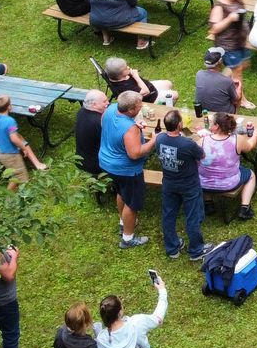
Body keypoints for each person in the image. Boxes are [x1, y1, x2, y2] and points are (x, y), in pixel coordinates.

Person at [98, 91, 155, 249]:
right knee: (132, 202)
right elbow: (135, 153)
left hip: (106, 162)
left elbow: (104, 125)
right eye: (139, 105)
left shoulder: (109, 110)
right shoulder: (130, 128)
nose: (141, 106)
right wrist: (153, 141)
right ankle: (128, 239)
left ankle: (123, 222)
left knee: (122, 192)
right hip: (126, 170)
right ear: (130, 110)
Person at [152, 110, 206, 259]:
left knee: (168, 215)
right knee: (192, 217)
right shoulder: (187, 144)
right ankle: (196, 250)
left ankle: (172, 248)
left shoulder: (160, 139)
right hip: (189, 185)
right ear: (180, 124)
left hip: (169, 183)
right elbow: (202, 155)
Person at [195, 111, 257, 221]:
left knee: (203, 169)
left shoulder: (202, 141)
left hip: (203, 184)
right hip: (228, 184)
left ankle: (208, 203)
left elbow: (196, 161)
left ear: (216, 127)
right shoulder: (237, 139)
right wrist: (256, 135)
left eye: (211, 122)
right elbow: (250, 146)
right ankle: (245, 208)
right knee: (251, 175)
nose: (209, 124)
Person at [0, 96, 45, 189]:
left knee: (15, 174)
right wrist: (24, 148)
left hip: (0, 152)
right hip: (10, 154)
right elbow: (14, 139)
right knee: (19, 176)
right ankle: (9, 196)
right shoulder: (10, 121)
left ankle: (13, 193)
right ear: (9, 107)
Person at [193, 47, 243, 116]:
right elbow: (235, 100)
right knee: (238, 96)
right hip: (223, 116)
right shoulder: (227, 81)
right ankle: (235, 117)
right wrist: (239, 88)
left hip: (204, 112)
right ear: (220, 62)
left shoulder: (199, 74)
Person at [100, 56, 165, 106]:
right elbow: (146, 92)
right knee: (174, 95)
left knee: (168, 83)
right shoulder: (127, 86)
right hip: (151, 97)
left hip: (148, 86)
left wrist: (127, 73)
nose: (128, 67)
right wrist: (136, 76)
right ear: (120, 74)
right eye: (125, 68)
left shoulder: (112, 75)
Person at [73, 89, 107, 178]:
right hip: (96, 166)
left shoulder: (81, 112)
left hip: (80, 160)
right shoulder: (99, 122)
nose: (108, 103)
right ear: (94, 104)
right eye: (105, 101)